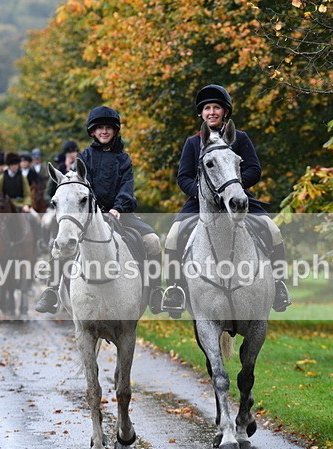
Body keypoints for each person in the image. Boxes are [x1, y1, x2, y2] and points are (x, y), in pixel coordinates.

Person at [158, 84, 291, 317]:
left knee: (273, 230)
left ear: (225, 112)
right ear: (201, 113)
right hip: (200, 202)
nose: (211, 112)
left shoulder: (240, 138)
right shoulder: (193, 142)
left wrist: (233, 187)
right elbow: (183, 177)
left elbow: (254, 169)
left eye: (216, 108)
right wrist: (202, 192)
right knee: (173, 237)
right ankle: (176, 289)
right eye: (207, 108)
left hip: (238, 199)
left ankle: (279, 285)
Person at [35, 106, 162, 314]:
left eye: (108, 128)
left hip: (121, 214)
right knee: (61, 243)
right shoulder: (85, 157)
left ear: (115, 131)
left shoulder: (124, 159)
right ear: (93, 131)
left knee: (152, 240)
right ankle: (52, 290)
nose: (104, 131)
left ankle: (155, 291)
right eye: (100, 128)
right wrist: (94, 211)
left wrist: (117, 208)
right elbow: (81, 188)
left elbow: (126, 187)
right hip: (90, 216)